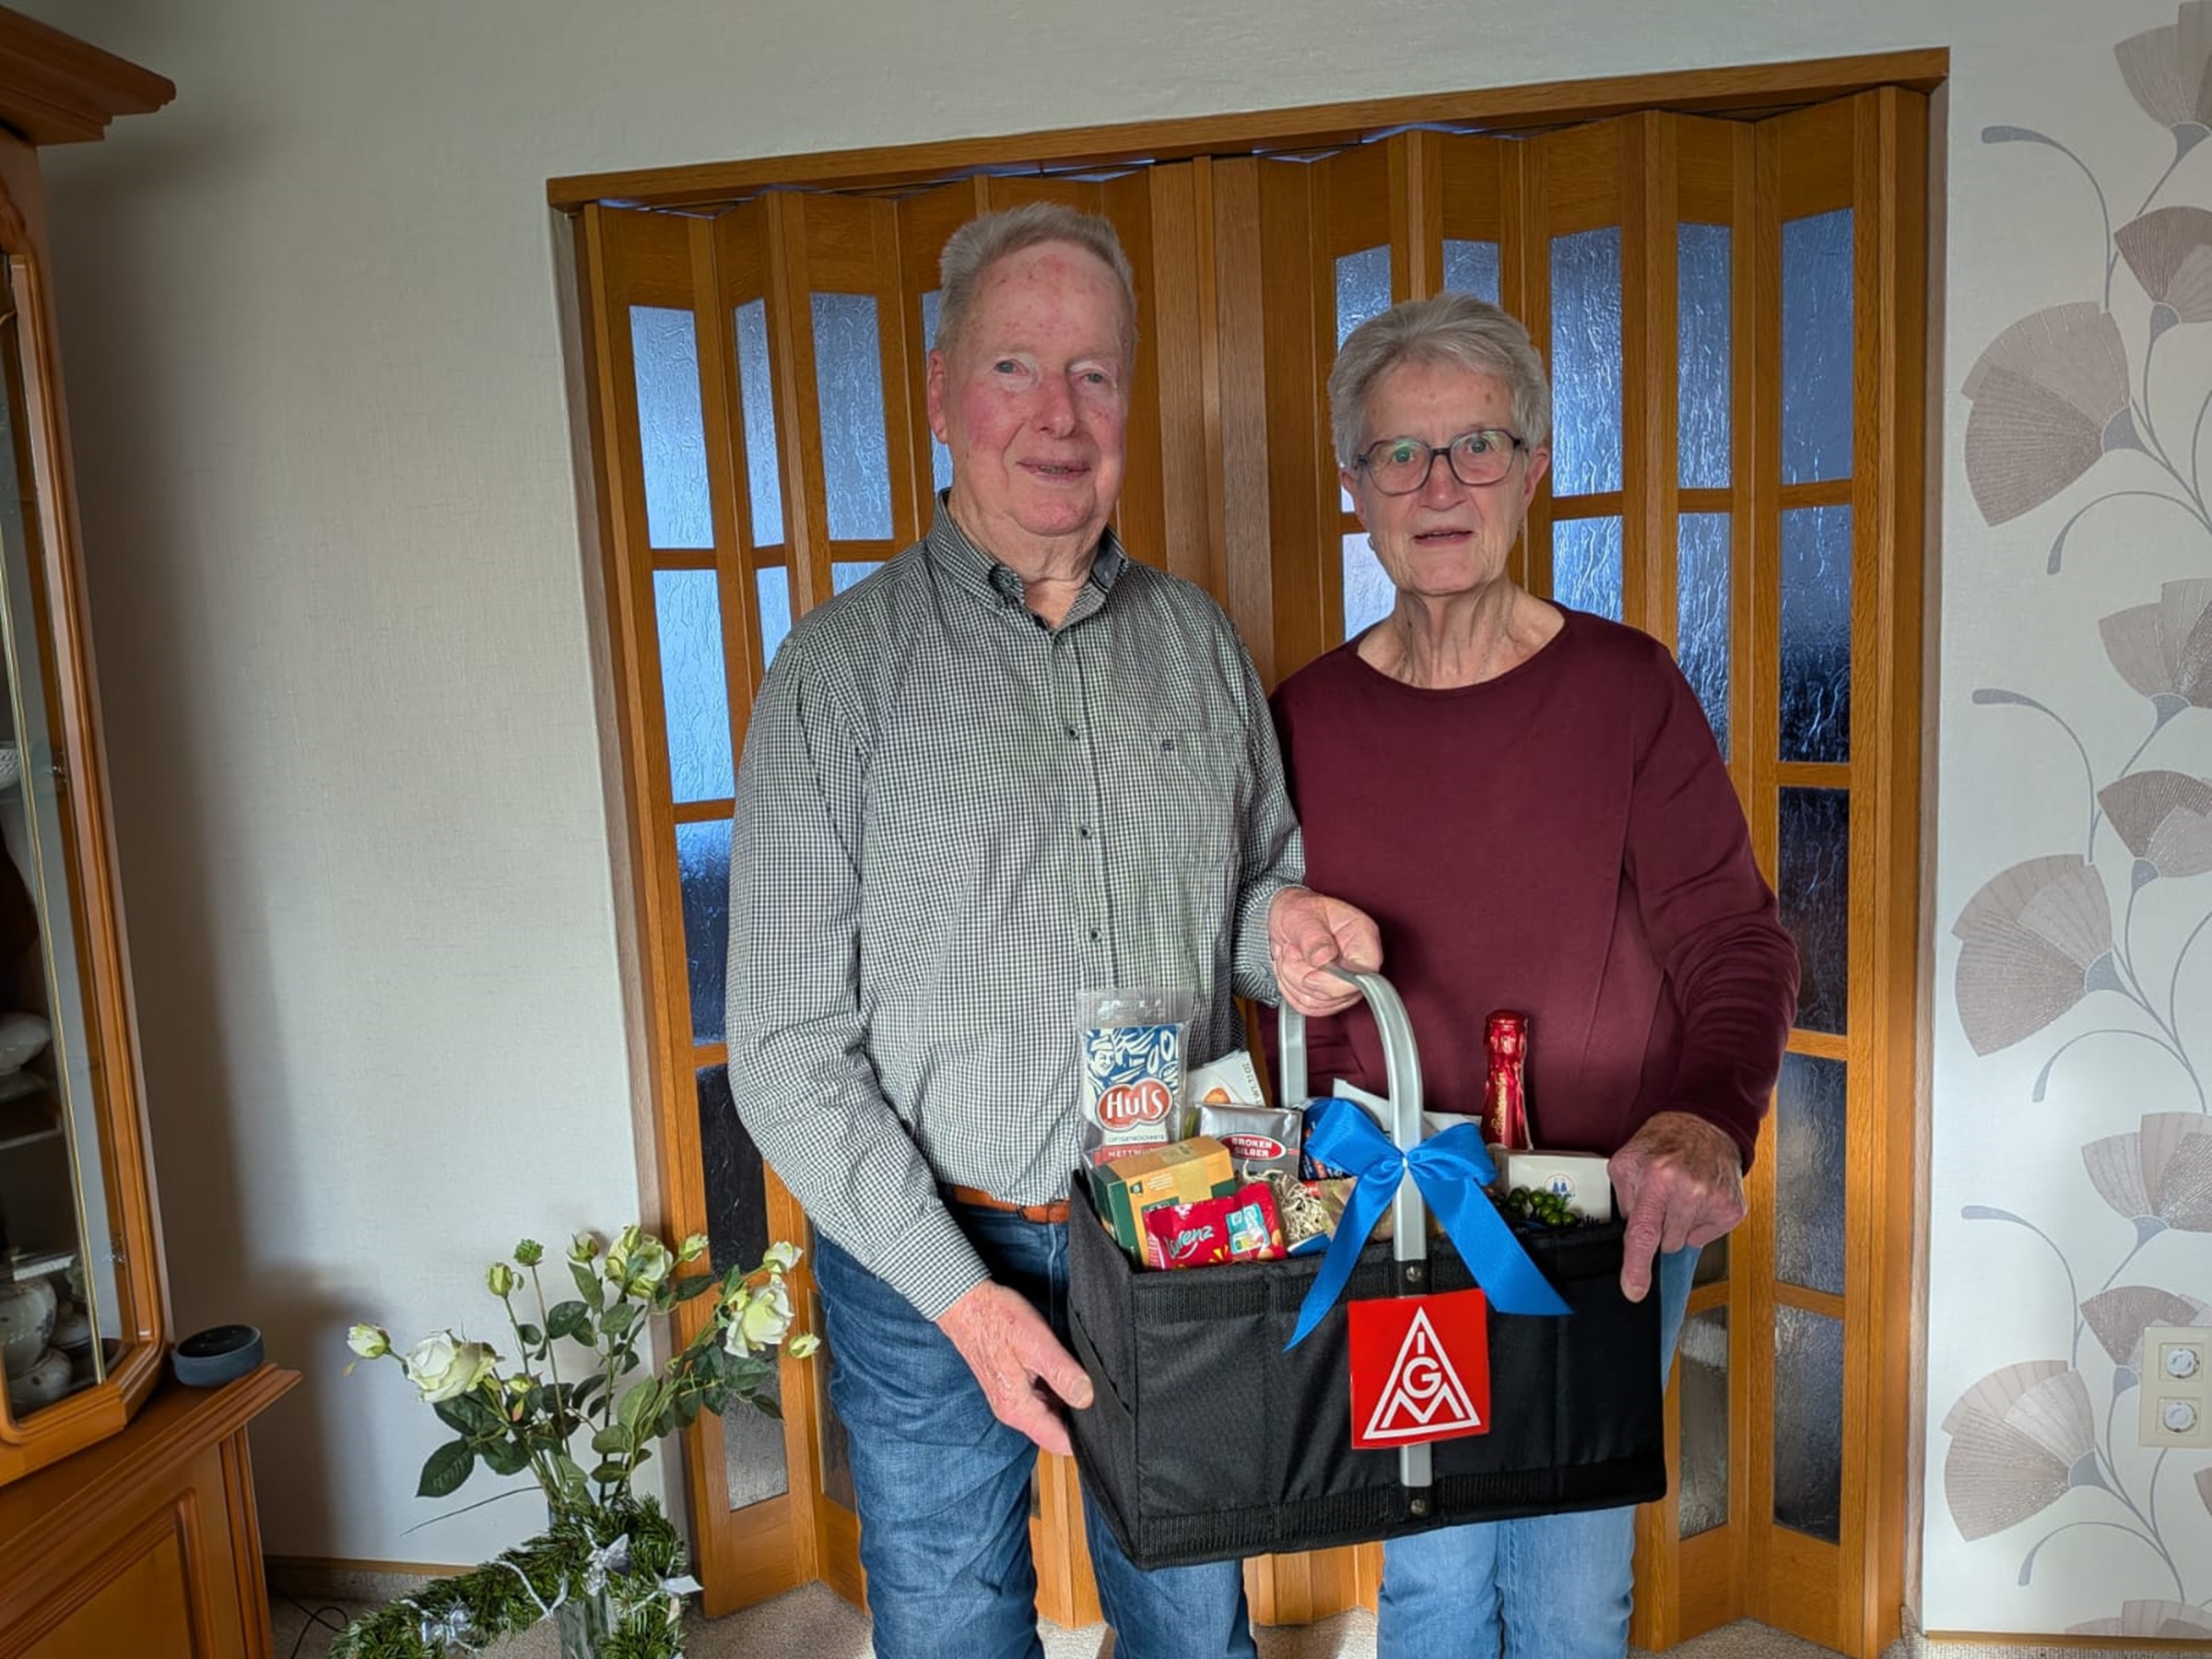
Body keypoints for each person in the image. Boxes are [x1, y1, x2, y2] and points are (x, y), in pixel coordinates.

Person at [724, 202, 1378, 1659]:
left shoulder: (1198, 642)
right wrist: (963, 1300)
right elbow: (778, 1050)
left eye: (1094, 373)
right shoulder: (835, 676)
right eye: (1017, 367)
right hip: (924, 1258)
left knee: (1193, 1617)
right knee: (954, 1630)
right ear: (943, 391)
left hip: (1172, 1227)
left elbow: (1246, 895)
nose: (1059, 416)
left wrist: (1289, 933)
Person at [1269, 292, 1799, 1659]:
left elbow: (1737, 944)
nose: (1440, 485)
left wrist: (1706, 1121)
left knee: (1573, 1599)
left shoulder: (1628, 691)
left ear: (1535, 468)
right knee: (1435, 1586)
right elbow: (1269, 965)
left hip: (1595, 1213)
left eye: (1479, 447)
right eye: (1401, 454)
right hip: (1401, 1218)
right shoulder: (1302, 719)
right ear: (1355, 486)